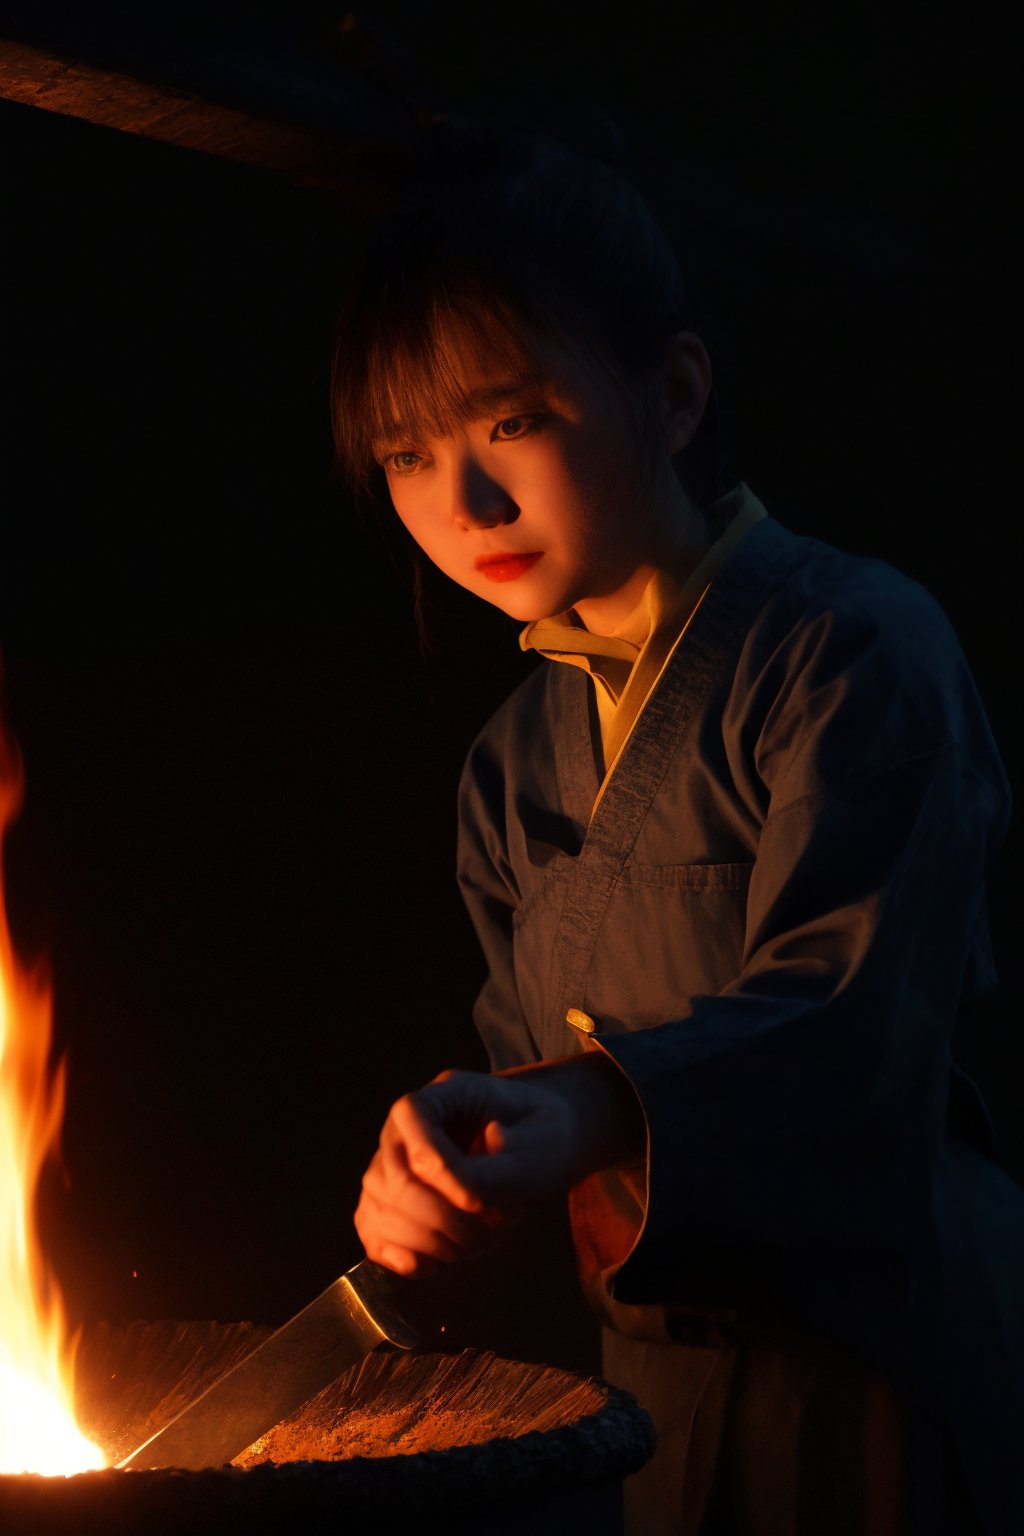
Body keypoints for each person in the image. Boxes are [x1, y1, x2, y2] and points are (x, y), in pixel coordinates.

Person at [331, 118, 1023, 1535]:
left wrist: (590, 1108)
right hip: (654, 1401)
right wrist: (452, 1161)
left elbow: (854, 1035)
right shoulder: (513, 766)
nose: (462, 504)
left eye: (511, 421)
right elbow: (537, 1083)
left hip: (883, 1376)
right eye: (407, 453)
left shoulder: (853, 651)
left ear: (676, 391)